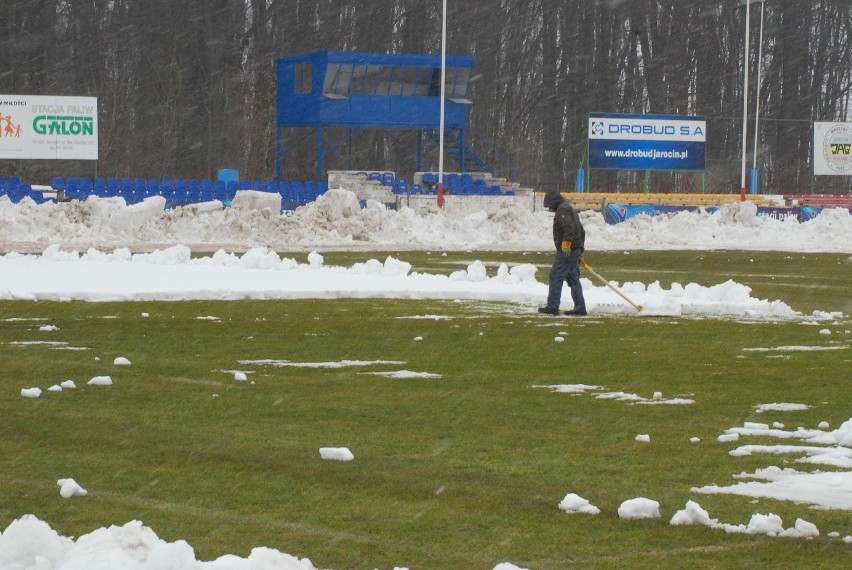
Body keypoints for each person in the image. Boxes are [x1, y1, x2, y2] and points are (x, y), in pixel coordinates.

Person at [538, 189, 587, 316]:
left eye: (549, 206)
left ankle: (553, 306)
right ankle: (580, 307)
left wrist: (567, 244)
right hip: (574, 249)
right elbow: (581, 230)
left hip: (567, 250)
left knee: (556, 276)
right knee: (573, 277)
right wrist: (579, 249)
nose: (549, 209)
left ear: (554, 202)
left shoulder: (562, 210)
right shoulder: (569, 208)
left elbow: (568, 227)